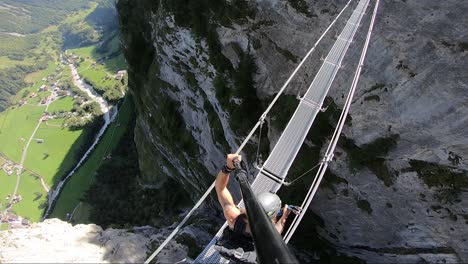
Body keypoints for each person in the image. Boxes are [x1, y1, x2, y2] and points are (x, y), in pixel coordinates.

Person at [214, 153, 291, 263]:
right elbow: (280, 226)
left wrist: (228, 168)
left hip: (230, 250)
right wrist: (284, 217)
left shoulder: (233, 217)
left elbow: (220, 188)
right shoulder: (271, 234)